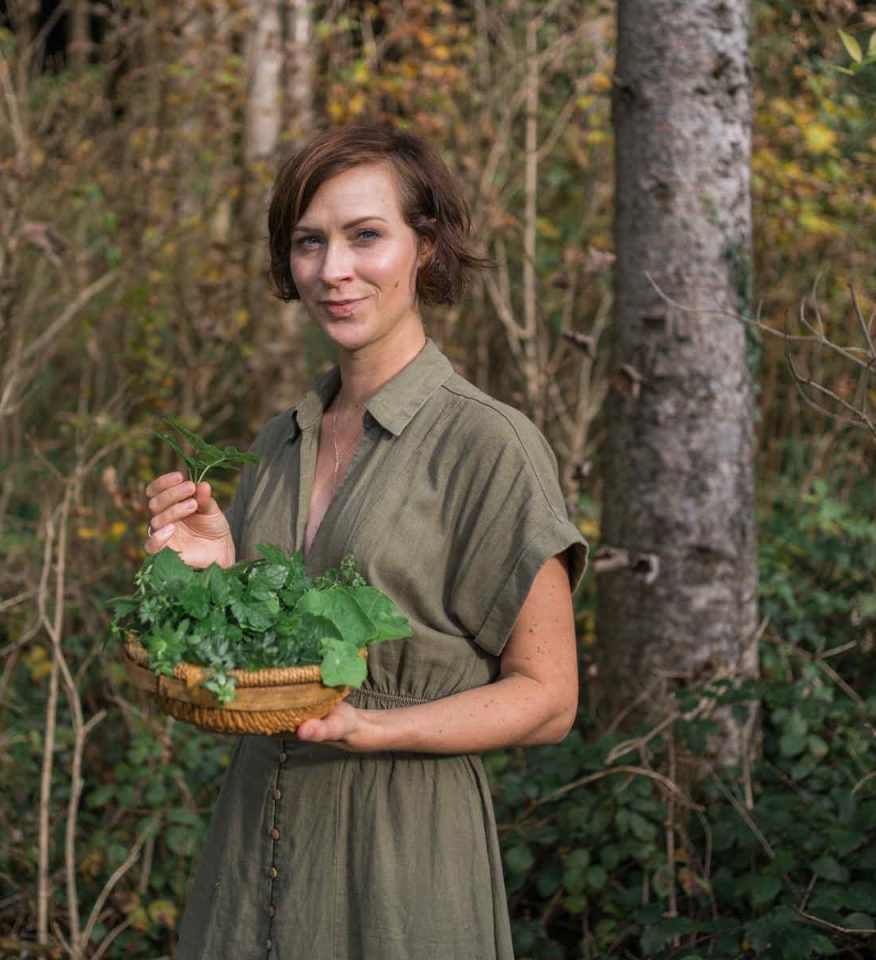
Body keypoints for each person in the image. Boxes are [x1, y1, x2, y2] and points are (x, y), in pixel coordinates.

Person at [142, 124, 586, 960]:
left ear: (426, 247)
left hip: (401, 855)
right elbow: (263, 665)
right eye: (309, 242)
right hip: (253, 852)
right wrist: (215, 575)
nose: (332, 270)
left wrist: (377, 729)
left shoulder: (487, 445)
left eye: (365, 236)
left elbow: (549, 699)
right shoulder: (278, 442)